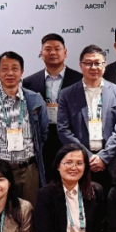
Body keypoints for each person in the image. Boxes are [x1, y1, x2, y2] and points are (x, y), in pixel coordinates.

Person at [0, 51, 49, 204]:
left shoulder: (35, 99)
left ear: (22, 72)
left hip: (29, 169)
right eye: (4, 69)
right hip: (0, 171)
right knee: (1, 210)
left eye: (15, 68)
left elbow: (42, 132)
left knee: (30, 212)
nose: (10, 73)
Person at [58, 44, 116, 191]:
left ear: (105, 65)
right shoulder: (67, 94)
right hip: (79, 162)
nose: (93, 67)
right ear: (80, 65)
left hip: (110, 162)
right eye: (88, 63)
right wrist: (87, 156)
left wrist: (104, 157)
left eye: (97, 63)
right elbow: (64, 130)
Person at [23, 33, 82, 169]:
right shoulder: (29, 82)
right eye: (48, 49)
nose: (53, 53)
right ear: (41, 53)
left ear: (65, 52)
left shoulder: (79, 80)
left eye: (57, 49)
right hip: (42, 140)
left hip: (71, 138)